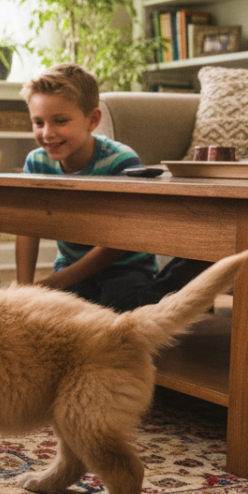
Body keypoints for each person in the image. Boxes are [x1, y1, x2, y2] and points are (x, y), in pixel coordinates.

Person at [14, 63, 158, 311]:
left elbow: (120, 242)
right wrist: (23, 292)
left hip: (127, 266)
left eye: (60, 121)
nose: (47, 133)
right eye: (38, 123)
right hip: (70, 263)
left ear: (92, 120)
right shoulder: (36, 162)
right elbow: (27, 227)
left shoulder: (122, 162)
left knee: (120, 318)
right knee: (58, 318)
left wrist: (54, 282)